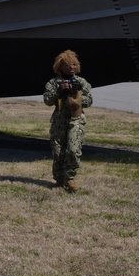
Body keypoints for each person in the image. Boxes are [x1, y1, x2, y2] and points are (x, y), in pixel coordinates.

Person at [42, 49, 93, 192]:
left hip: (75, 120)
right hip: (59, 120)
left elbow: (89, 101)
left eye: (74, 65)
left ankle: (70, 178)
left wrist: (76, 95)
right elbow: (47, 100)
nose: (72, 67)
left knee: (73, 149)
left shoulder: (81, 82)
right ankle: (59, 179)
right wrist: (60, 91)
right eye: (68, 65)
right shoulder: (53, 83)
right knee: (58, 151)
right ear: (60, 66)